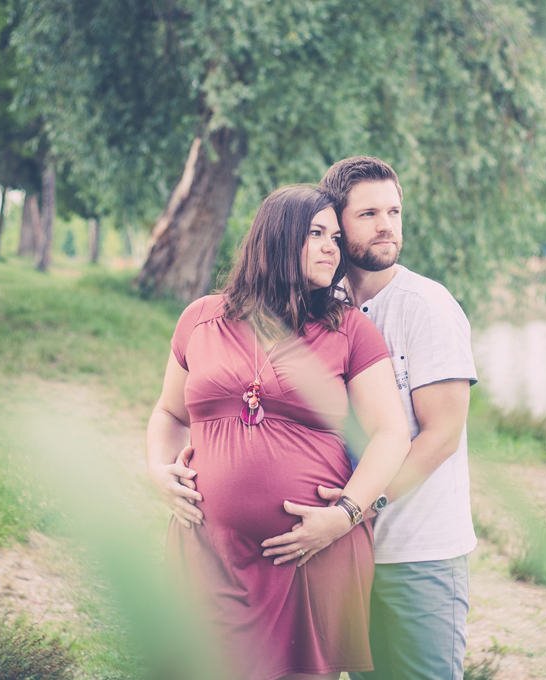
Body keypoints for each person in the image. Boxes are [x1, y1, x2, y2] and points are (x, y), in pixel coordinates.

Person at [146, 184, 411, 680]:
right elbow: (168, 413)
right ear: (277, 238)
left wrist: (346, 515)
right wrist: (159, 472)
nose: (333, 247)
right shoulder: (201, 319)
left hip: (310, 554)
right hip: (209, 548)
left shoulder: (350, 329)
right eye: (316, 234)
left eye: (335, 235)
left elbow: (392, 434)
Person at [315, 157, 478, 680]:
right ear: (337, 225)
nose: (387, 225)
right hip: (349, 554)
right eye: (369, 214)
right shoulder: (325, 309)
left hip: (421, 554)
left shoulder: (426, 305)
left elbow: (443, 435)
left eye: (394, 211)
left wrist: (361, 507)